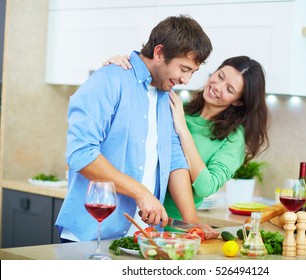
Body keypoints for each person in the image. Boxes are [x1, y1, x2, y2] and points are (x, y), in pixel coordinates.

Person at [55, 15, 213, 243]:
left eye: (192, 72)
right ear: (159, 53)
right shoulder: (108, 80)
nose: (186, 79)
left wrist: (193, 224)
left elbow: (175, 159)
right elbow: (82, 154)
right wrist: (141, 192)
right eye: (184, 68)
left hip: (142, 239)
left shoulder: (167, 96)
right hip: (91, 236)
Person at [104, 55, 269, 224]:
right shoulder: (177, 106)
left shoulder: (234, 138)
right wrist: (122, 67)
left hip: (176, 226)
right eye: (220, 76)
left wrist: (183, 130)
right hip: (134, 212)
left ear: (239, 102)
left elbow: (205, 186)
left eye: (230, 89)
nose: (217, 87)